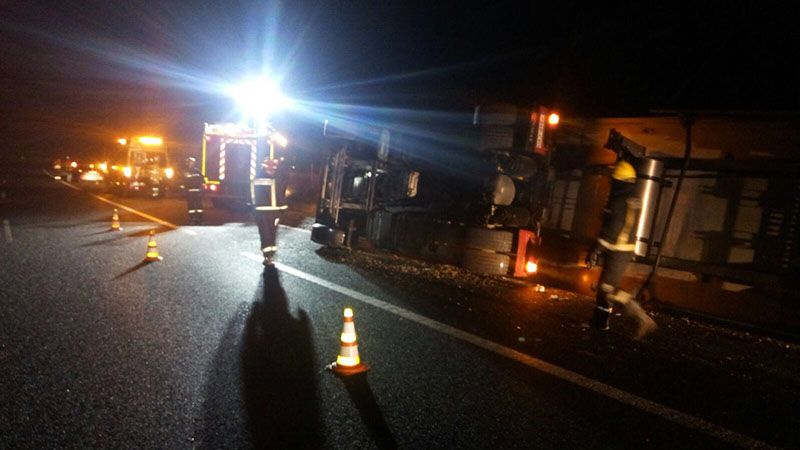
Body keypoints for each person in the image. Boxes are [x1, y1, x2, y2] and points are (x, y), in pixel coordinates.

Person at [585, 159, 657, 338]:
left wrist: (596, 250)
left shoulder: (617, 201)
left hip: (617, 251)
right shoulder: (634, 199)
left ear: (619, 181)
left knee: (609, 289)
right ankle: (600, 323)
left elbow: (612, 229)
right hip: (623, 250)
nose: (611, 182)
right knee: (604, 288)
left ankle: (641, 318)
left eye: (614, 180)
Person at [253, 153, 287, 266]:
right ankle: (269, 256)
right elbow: (280, 196)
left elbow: (252, 196)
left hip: (261, 213)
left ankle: (268, 256)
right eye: (272, 168)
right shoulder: (276, 180)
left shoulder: (256, 178)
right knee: (271, 234)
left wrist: (253, 209)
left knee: (265, 234)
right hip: (273, 213)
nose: (272, 170)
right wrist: (283, 210)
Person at [184, 157, 204, 225]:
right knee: (191, 207)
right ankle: (192, 219)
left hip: (197, 192)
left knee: (199, 206)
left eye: (191, 162)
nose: (190, 164)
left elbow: (202, 180)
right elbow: (184, 182)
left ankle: (199, 219)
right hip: (190, 192)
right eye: (189, 162)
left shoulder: (197, 171)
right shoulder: (186, 172)